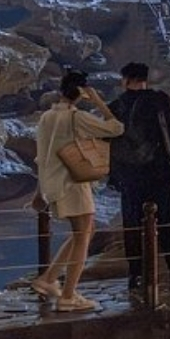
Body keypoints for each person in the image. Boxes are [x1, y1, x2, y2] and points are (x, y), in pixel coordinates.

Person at [33, 70, 125, 311]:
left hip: (52, 182)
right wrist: (98, 102)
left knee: (83, 232)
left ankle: (49, 279)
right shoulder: (77, 117)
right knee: (84, 234)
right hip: (72, 183)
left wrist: (38, 190)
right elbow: (116, 128)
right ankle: (69, 295)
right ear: (81, 92)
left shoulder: (47, 117)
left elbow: (40, 156)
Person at [109, 62, 170, 291]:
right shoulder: (160, 100)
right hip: (158, 170)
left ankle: (136, 275)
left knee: (131, 224)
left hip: (129, 175)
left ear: (125, 80)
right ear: (145, 79)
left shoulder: (116, 106)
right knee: (167, 219)